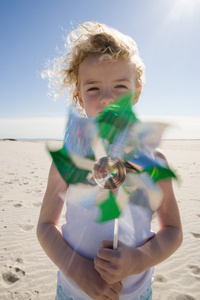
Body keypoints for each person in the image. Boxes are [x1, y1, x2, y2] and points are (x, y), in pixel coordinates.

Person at [37, 22, 183, 300]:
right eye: (93, 89)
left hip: (136, 293)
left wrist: (138, 260)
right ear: (79, 98)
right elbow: (45, 226)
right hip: (74, 292)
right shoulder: (67, 160)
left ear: (136, 93)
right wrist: (78, 270)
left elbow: (173, 231)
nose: (107, 98)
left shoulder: (153, 161)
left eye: (120, 86)